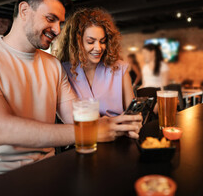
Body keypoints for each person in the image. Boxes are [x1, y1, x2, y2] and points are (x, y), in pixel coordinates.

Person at [0, 0, 141, 191]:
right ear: (24, 11)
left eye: (60, 23)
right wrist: (91, 133)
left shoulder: (53, 64)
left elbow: (76, 117)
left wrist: (118, 125)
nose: (57, 30)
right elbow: (1, 130)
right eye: (50, 19)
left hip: (45, 169)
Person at [55, 7, 142, 139]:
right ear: (76, 42)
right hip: (84, 141)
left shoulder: (120, 68)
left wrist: (136, 121)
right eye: (90, 42)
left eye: (102, 41)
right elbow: (67, 120)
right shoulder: (63, 71)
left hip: (118, 139)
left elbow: (132, 112)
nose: (98, 48)